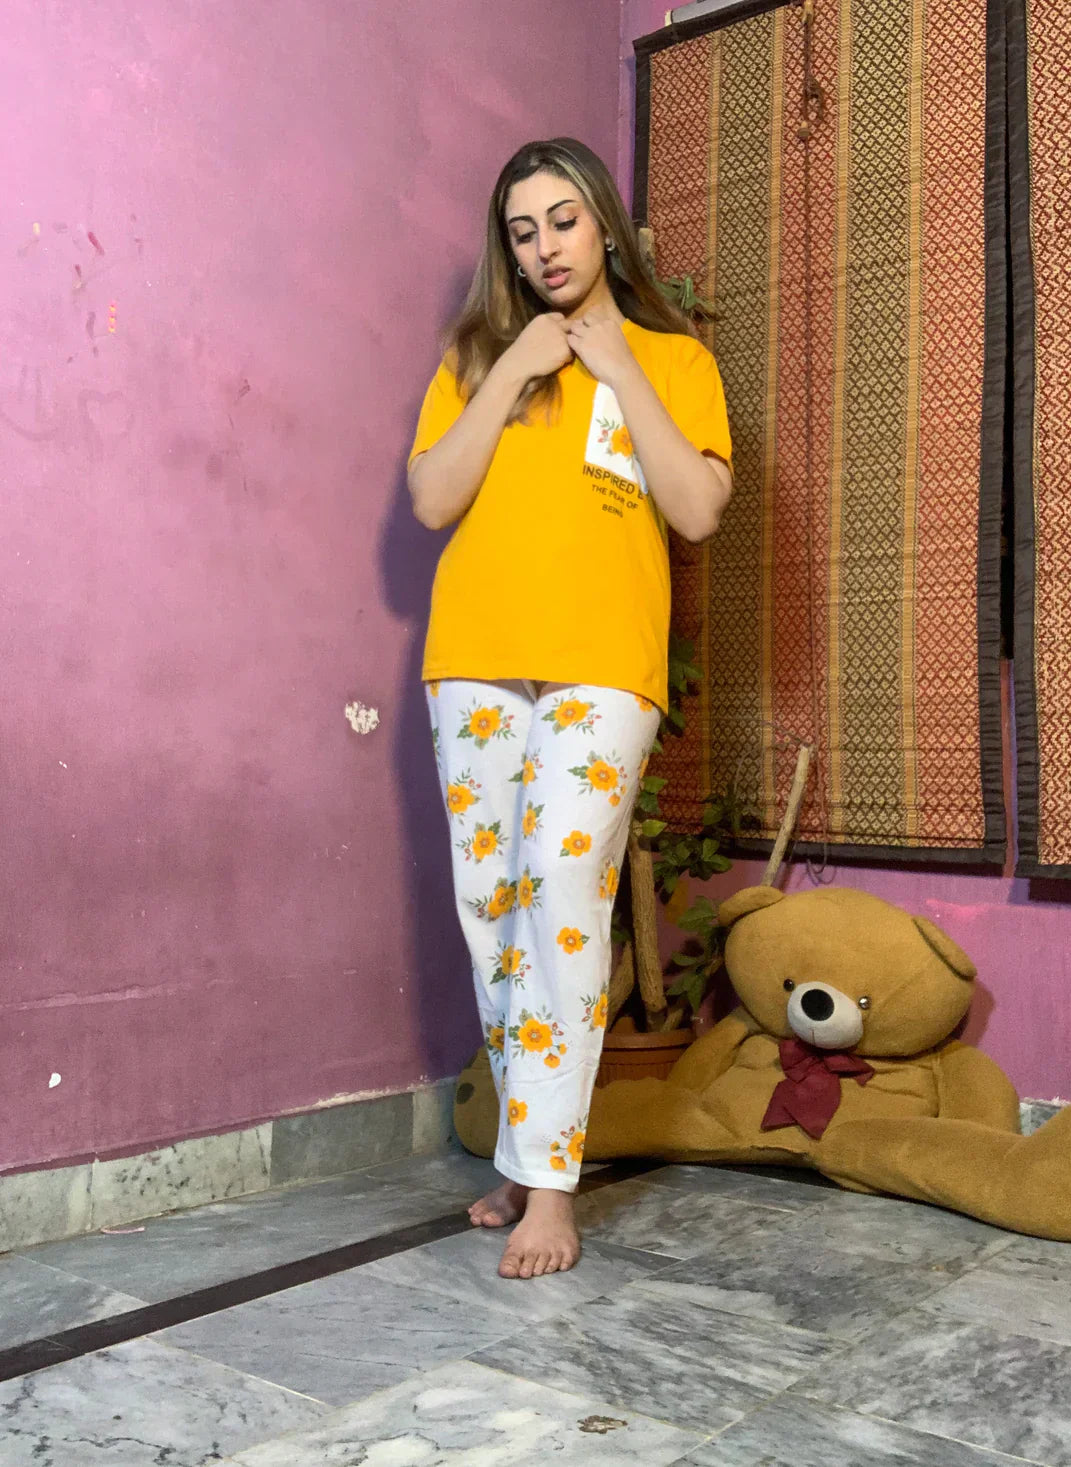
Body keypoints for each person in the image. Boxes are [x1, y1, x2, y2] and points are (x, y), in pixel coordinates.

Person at [407, 137, 732, 1280]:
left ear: (603, 224)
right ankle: (524, 1156)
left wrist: (616, 366)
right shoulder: (475, 356)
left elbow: (695, 510)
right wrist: (513, 368)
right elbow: (432, 498)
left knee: (558, 886)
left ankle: (550, 1188)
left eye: (562, 220)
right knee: (491, 907)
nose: (544, 246)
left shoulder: (675, 361)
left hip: (602, 661)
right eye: (521, 230)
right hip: (476, 657)